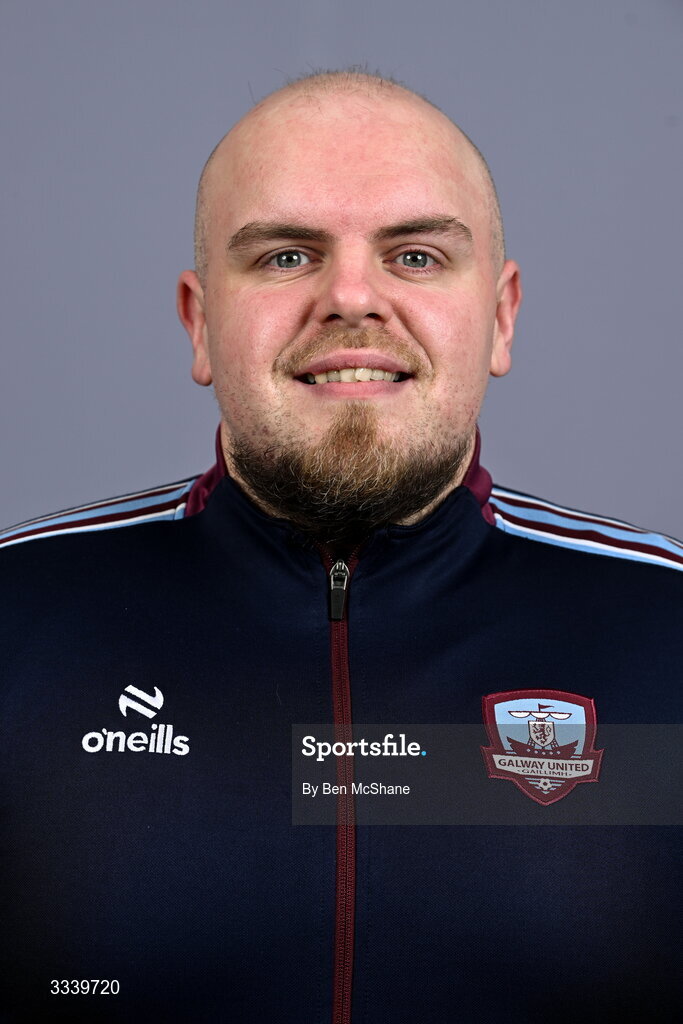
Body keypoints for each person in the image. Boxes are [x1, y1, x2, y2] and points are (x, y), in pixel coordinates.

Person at [1, 70, 681, 1024]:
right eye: (285, 256)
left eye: (415, 256)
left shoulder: (664, 626)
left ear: (500, 315)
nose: (351, 297)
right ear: (201, 323)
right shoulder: (18, 615)